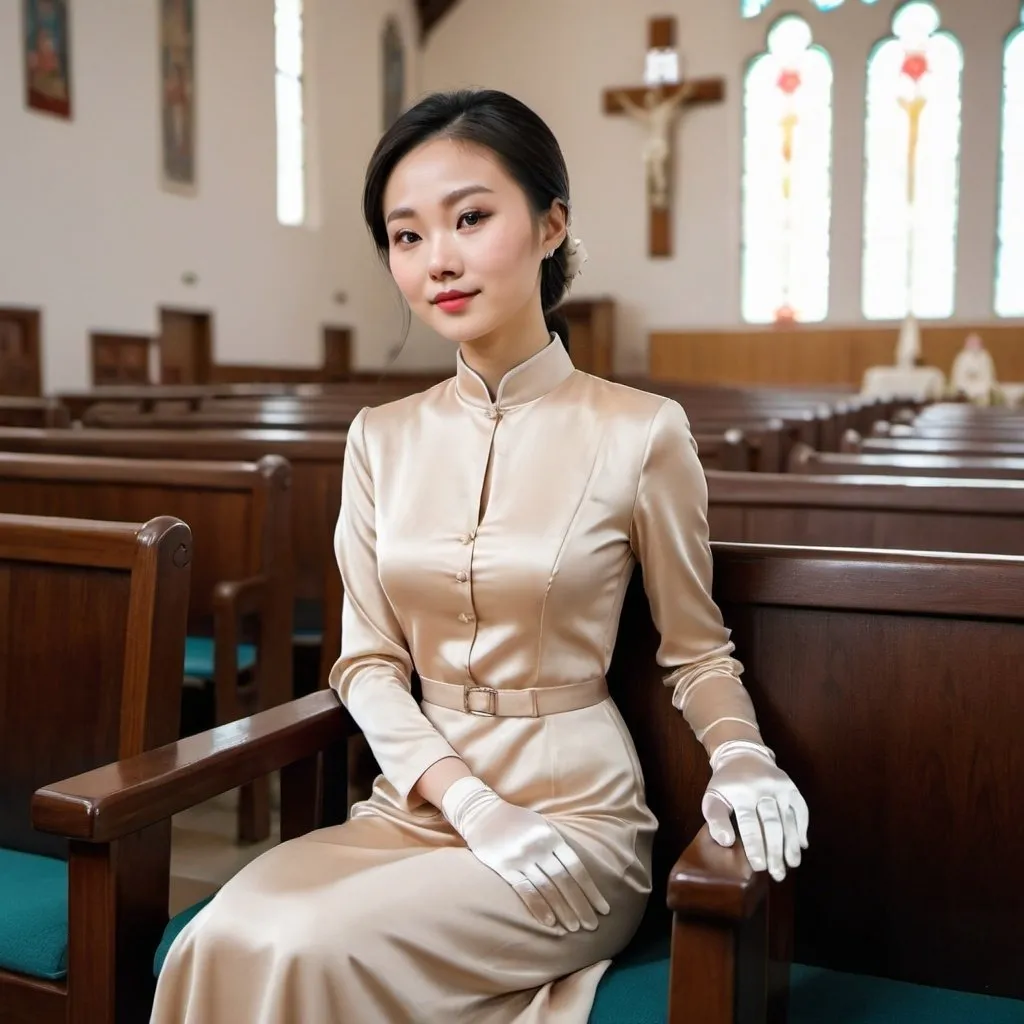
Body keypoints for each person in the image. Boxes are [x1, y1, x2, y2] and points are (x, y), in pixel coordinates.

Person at [150, 88, 808, 1024]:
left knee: (303, 948)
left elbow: (696, 650)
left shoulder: (642, 431)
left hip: (573, 818)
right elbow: (367, 661)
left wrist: (741, 753)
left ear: (550, 225)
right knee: (224, 935)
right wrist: (467, 802)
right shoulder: (379, 437)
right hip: (412, 805)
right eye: (406, 235)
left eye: (470, 217)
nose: (438, 261)